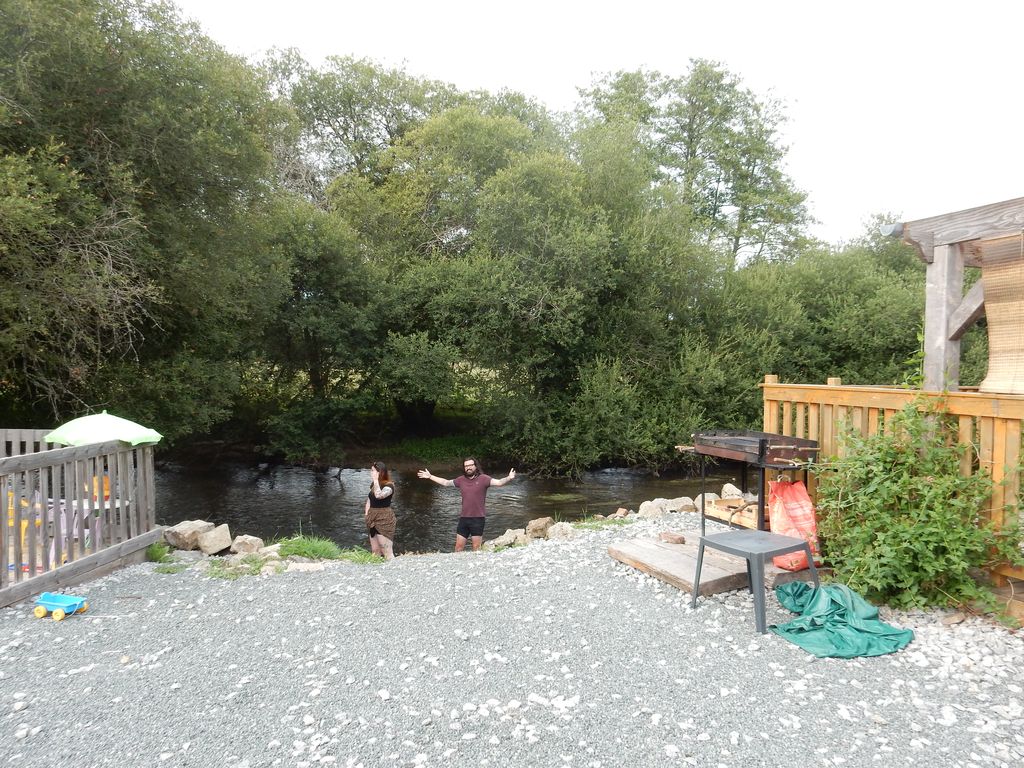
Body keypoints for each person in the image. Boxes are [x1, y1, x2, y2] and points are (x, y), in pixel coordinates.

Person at [417, 458, 515, 551]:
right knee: (458, 548)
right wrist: (430, 476)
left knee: (476, 548)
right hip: (464, 518)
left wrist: (509, 478)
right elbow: (446, 482)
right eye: (466, 466)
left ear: (475, 466)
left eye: (471, 465)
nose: (468, 467)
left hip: (478, 518)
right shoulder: (461, 480)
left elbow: (499, 483)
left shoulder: (484, 479)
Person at [365, 461, 396, 560]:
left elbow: (379, 496)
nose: (371, 473)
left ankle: (393, 570)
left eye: (373, 471)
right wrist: (367, 515)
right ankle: (376, 571)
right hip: (372, 519)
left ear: (380, 472)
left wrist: (375, 480)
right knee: (375, 550)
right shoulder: (374, 485)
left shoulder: (389, 485)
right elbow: (370, 500)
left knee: (386, 551)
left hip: (384, 519)